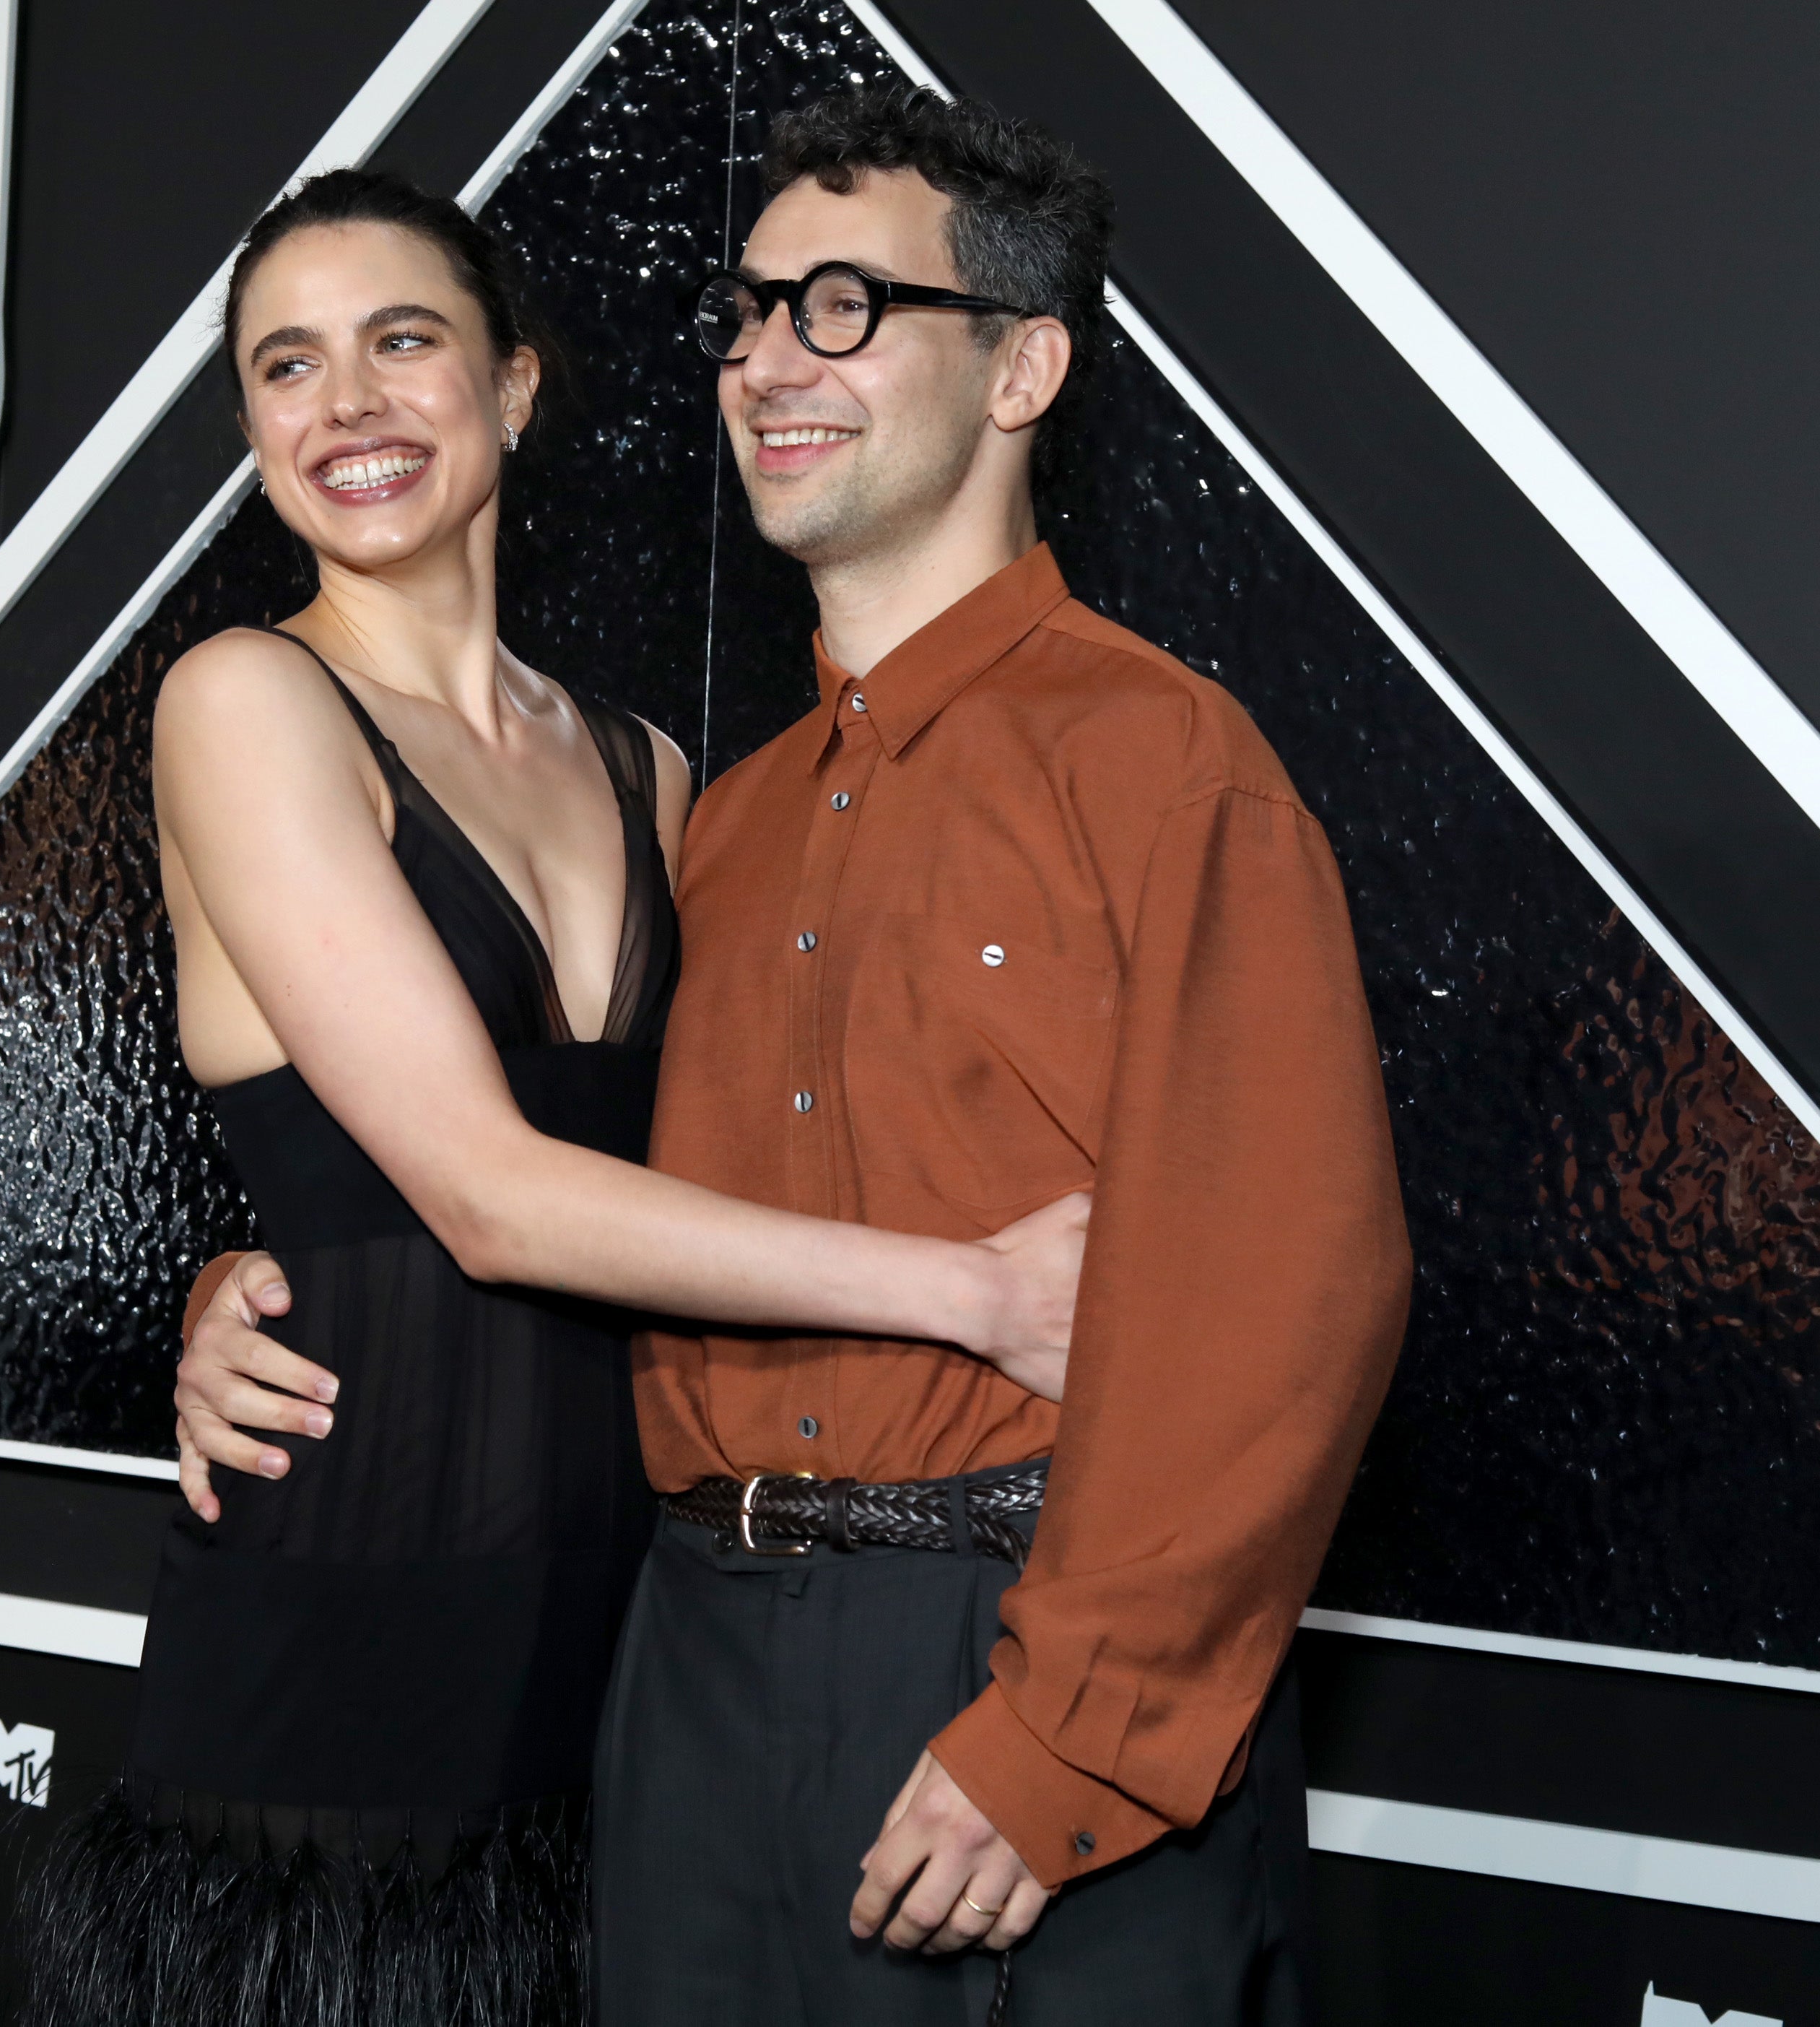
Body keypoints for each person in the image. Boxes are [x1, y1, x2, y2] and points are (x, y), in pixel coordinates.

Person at [179, 86, 1412, 2026]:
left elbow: (1292, 1294)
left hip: (1004, 1666)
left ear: (1019, 370)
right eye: (751, 311)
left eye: (845, 306)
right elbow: (505, 1174)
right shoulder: (730, 818)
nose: (771, 357)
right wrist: (272, 1270)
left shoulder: (1159, 764)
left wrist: (1064, 1742)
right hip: (668, 1681)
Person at [16, 166, 1091, 2027]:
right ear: (253, 429)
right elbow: (487, 1195)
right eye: (289, 365)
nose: (346, 404)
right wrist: (983, 1293)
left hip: (624, 1611)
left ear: (515, 388)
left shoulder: (655, 771)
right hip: (349, 1587)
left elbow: (700, 1159)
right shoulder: (243, 702)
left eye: (400, 342)